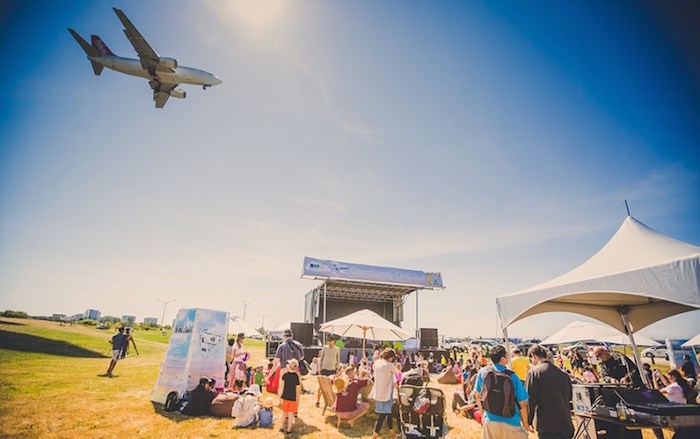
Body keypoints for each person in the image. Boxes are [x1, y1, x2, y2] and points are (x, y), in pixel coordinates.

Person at [474, 344, 531, 439]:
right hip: (511, 422)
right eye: (506, 355)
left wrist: (483, 415)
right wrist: (525, 424)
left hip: (489, 421)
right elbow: (522, 404)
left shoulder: (483, 372)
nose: (508, 356)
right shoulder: (512, 376)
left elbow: (477, 396)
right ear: (502, 359)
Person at [526, 345, 574, 439]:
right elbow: (569, 397)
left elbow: (530, 400)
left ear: (533, 355)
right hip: (565, 423)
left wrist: (528, 420)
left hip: (547, 426)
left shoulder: (534, 373)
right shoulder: (563, 374)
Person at [370, 348, 400, 439]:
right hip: (387, 392)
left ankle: (392, 433)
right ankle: (375, 434)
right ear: (390, 357)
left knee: (387, 412)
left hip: (378, 392)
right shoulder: (389, 365)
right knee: (384, 414)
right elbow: (398, 374)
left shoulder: (377, 363)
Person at [316, 335, 341, 407]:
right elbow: (321, 358)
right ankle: (317, 401)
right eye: (328, 340)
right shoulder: (324, 348)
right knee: (321, 386)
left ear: (334, 341)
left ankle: (330, 402)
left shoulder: (337, 349)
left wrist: (337, 368)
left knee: (331, 387)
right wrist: (319, 368)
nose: (329, 342)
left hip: (332, 369)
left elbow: (338, 359)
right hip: (324, 369)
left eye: (331, 340)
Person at [279, 359, 301, 436]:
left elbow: (281, 386)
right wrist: (297, 395)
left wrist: (280, 397)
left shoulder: (285, 375)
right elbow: (298, 388)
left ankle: (281, 427)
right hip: (292, 397)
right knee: (291, 414)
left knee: (284, 413)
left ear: (289, 366)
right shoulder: (296, 376)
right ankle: (289, 430)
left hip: (285, 397)